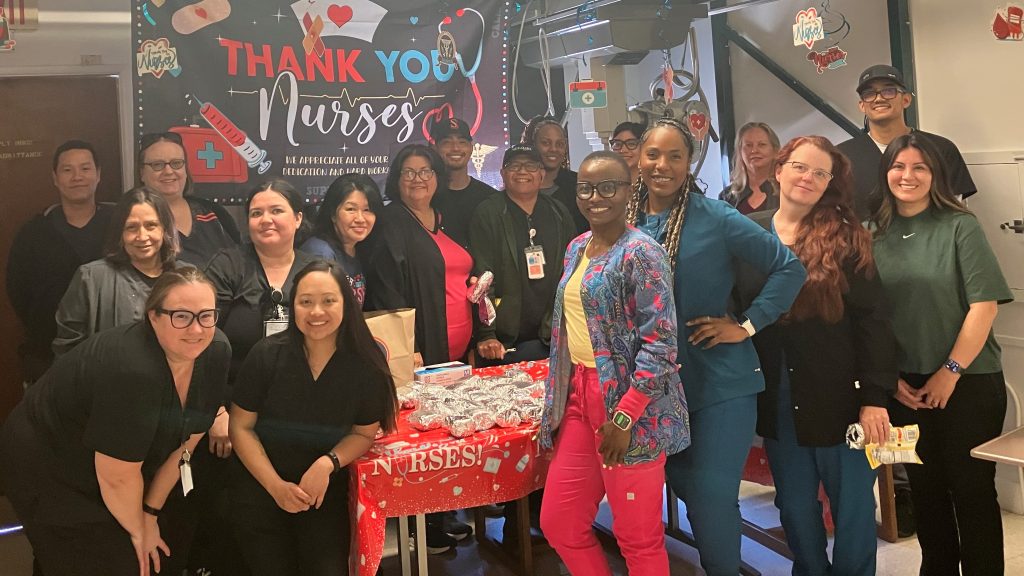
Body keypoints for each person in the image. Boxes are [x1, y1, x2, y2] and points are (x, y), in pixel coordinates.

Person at [628, 118, 806, 576]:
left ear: (691, 164)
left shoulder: (716, 216)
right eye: (653, 154)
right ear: (638, 158)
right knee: (683, 483)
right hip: (653, 385)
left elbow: (788, 269)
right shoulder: (624, 222)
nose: (662, 165)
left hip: (719, 381)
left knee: (710, 495)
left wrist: (746, 326)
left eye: (675, 156)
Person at [0, 267, 231, 576]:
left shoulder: (215, 351)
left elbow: (187, 444)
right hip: (51, 461)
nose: (196, 329)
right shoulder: (132, 369)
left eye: (206, 315)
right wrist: (140, 531)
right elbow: (117, 477)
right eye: (181, 316)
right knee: (106, 560)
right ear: (153, 316)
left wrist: (149, 513)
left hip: (115, 461)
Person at [736, 136, 896, 575]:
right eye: (801, 167)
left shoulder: (847, 238)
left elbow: (874, 321)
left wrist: (874, 398)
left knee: (853, 509)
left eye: (820, 173)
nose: (808, 178)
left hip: (842, 400)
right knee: (794, 507)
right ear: (780, 169)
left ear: (829, 184)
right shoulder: (747, 232)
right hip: (777, 399)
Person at [539, 151, 688, 576]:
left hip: (630, 409)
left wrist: (624, 418)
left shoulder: (642, 253)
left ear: (628, 191)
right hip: (578, 398)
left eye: (608, 186)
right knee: (560, 522)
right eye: (585, 188)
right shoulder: (576, 248)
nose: (595, 196)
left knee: (638, 539)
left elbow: (661, 346)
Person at [872, 133, 1012, 575]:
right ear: (886, 173)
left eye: (920, 168)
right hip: (902, 388)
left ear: (936, 176)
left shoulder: (959, 226)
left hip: (967, 382)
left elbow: (984, 306)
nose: (907, 176)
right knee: (923, 488)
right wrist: (888, 379)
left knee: (971, 492)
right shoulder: (869, 234)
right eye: (898, 166)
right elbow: (865, 317)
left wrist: (949, 372)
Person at [230, 260, 398, 576]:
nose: (316, 312)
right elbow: (240, 426)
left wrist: (328, 462)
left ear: (347, 305)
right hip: (260, 488)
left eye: (328, 301)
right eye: (305, 302)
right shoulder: (267, 354)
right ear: (293, 306)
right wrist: (275, 486)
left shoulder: (366, 365)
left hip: (322, 495)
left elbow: (363, 433)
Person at [198, 179, 317, 575]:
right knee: (244, 531)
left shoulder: (317, 271)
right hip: (234, 415)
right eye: (256, 213)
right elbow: (197, 342)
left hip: (302, 418)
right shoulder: (228, 266)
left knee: (301, 521)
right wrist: (215, 411)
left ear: (298, 218)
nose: (266, 220)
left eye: (277, 210)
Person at [362, 144, 474, 551]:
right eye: (408, 172)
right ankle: (423, 528)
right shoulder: (392, 220)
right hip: (421, 349)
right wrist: (405, 346)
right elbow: (386, 284)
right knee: (422, 443)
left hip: (455, 350)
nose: (417, 179)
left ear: (437, 177)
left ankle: (442, 514)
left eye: (425, 171)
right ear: (396, 178)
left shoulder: (441, 219)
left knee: (447, 438)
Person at [7, 139, 114, 383]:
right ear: (55, 177)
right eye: (67, 170)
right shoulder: (33, 232)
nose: (77, 177)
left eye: (85, 169)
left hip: (110, 355)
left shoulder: (120, 226)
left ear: (98, 175)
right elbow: (18, 291)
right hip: (46, 356)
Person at [469, 143, 576, 366]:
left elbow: (572, 271)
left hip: (552, 335)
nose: (522, 171)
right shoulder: (488, 212)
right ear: (502, 173)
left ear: (542, 174)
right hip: (505, 340)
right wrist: (487, 333)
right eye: (514, 165)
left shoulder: (558, 212)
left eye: (530, 165)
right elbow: (483, 277)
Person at [837, 65, 976, 222]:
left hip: (929, 245)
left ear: (906, 99)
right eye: (869, 94)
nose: (879, 98)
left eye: (888, 91)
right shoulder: (841, 156)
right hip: (865, 244)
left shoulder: (941, 149)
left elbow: (956, 214)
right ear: (862, 105)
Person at [53, 187, 179, 356]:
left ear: (165, 229)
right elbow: (67, 349)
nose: (142, 236)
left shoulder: (185, 278)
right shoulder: (91, 279)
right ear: (120, 232)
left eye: (151, 226)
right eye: (132, 227)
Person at [138, 132, 240, 266]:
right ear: (142, 173)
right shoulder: (133, 220)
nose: (168, 171)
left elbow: (241, 264)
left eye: (176, 163)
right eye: (158, 165)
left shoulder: (214, 213)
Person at [299, 173, 384, 307]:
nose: (360, 218)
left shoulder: (359, 249)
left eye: (367, 210)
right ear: (333, 214)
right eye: (351, 209)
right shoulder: (320, 253)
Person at [430, 116, 499, 248]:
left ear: (471, 148)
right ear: (435, 148)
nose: (455, 148)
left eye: (462, 142)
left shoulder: (490, 197)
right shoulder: (427, 197)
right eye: (447, 142)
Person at [523, 116, 586, 232]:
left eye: (559, 144)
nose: (553, 149)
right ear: (534, 145)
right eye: (546, 143)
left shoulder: (579, 185)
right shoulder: (520, 185)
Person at [720, 122, 781, 215]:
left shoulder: (787, 189)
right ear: (740, 152)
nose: (754, 150)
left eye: (762, 144)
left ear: (775, 151)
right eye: (748, 145)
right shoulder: (726, 196)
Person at [609, 121, 646, 186]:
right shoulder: (606, 184)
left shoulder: (653, 185)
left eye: (631, 144)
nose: (623, 150)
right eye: (617, 144)